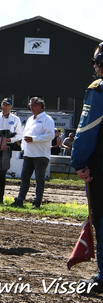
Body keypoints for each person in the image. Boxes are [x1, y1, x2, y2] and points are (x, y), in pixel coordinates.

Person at [70, 42, 103, 293]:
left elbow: (86, 130)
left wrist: (79, 163)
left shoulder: (99, 89)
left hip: (100, 169)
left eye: (95, 62)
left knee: (101, 220)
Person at [11, 97, 54, 209]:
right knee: (24, 177)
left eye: (33, 105)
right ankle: (20, 199)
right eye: (30, 105)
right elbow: (25, 135)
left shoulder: (47, 119)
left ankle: (37, 202)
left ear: (40, 105)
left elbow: (50, 135)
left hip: (41, 155)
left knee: (39, 179)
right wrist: (23, 148)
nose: (31, 108)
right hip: (28, 154)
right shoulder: (30, 119)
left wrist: (34, 139)